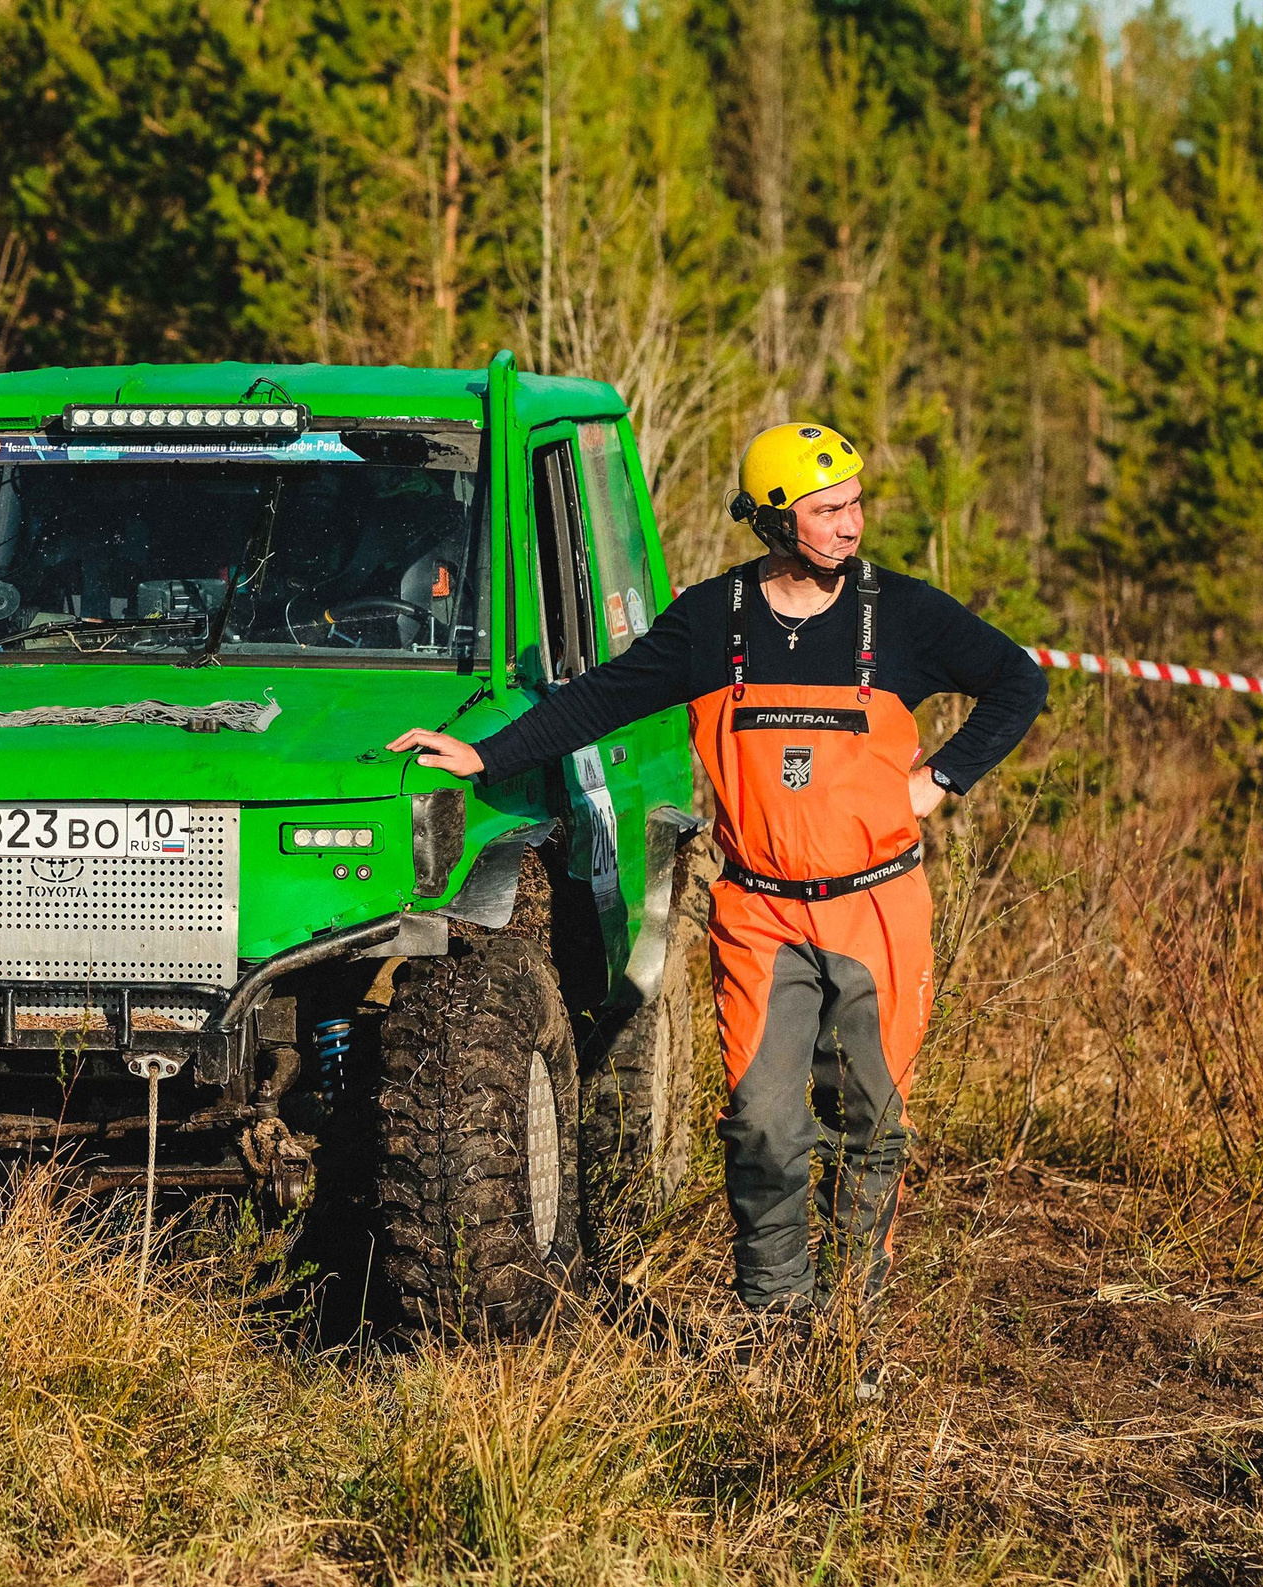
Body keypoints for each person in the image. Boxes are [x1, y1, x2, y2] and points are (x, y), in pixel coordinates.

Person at [389, 423, 1047, 1350]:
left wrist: (938, 781)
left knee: (870, 1121)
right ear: (775, 521)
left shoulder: (902, 616)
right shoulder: (715, 621)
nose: (852, 524)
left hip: (877, 908)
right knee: (763, 1124)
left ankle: (854, 1333)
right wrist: (483, 753)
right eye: (828, 510)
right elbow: (601, 697)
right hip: (760, 913)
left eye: (856, 503)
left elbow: (1018, 682)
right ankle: (779, 1332)